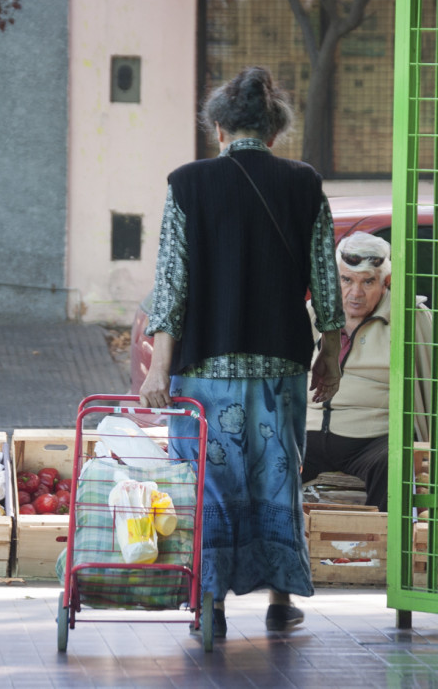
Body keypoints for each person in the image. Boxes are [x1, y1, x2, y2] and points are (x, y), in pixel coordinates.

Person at [138, 65, 344, 639]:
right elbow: (327, 283)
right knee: (279, 474)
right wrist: (329, 352)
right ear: (274, 133)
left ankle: (213, 604)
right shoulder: (304, 184)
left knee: (210, 480)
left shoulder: (187, 184)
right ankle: (281, 597)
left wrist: (159, 364)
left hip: (207, 368)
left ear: (220, 129)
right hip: (280, 364)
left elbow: (171, 284)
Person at [304, 231, 438, 512]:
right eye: (346, 280)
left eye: (368, 282)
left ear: (386, 282)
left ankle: (382, 551)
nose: (355, 293)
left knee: (396, 463)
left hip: (375, 442)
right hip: (307, 434)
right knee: (268, 459)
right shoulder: (313, 313)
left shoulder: (413, 321)